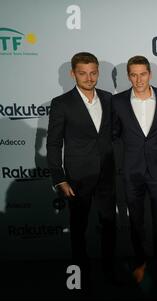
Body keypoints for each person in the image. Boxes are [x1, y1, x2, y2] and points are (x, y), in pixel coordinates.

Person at [46, 52, 116, 286]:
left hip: (107, 174)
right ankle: (79, 273)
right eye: (83, 73)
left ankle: (109, 269)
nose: (89, 78)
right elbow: (54, 143)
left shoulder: (108, 98)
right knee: (79, 228)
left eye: (93, 72)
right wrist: (59, 178)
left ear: (98, 72)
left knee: (109, 225)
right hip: (77, 177)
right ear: (72, 74)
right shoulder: (61, 103)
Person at [112, 56, 157, 284]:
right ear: (128, 76)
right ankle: (140, 262)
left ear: (150, 74)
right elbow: (114, 134)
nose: (138, 79)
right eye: (133, 75)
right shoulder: (117, 102)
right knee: (135, 221)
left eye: (142, 74)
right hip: (132, 171)